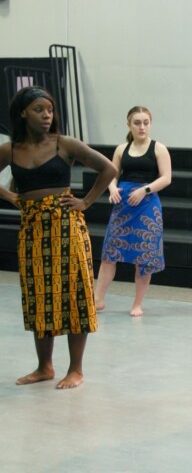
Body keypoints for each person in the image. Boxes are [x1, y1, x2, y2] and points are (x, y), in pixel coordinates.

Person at [0, 86, 116, 389]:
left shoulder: (65, 144)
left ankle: (76, 369)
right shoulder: (10, 149)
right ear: (24, 112)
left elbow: (108, 168)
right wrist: (11, 196)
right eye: (39, 110)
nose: (47, 115)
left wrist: (86, 202)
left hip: (67, 225)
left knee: (75, 293)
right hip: (33, 228)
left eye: (50, 110)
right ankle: (44, 367)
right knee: (40, 295)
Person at [93, 106, 172, 317]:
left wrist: (145, 190)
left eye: (146, 122)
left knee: (144, 257)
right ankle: (98, 299)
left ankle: (137, 303)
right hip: (124, 204)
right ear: (129, 124)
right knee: (110, 253)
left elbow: (166, 178)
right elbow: (111, 173)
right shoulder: (121, 149)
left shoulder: (158, 149)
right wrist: (111, 188)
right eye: (137, 122)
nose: (142, 127)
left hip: (146, 204)